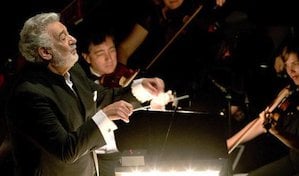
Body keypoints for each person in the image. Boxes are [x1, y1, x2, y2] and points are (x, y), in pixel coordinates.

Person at [6, 12, 171, 176]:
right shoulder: (28, 94)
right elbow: (66, 150)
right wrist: (103, 117)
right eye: (63, 38)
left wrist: (143, 87)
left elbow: (105, 98)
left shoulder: (74, 71)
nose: (73, 40)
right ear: (45, 52)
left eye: (68, 33)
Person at [77, 27, 174, 175]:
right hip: (99, 157)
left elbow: (137, 104)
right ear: (87, 57)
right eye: (100, 53)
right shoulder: (83, 86)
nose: (109, 58)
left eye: (112, 50)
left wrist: (156, 99)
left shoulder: (126, 76)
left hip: (133, 151)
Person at [117, 0, 227, 108]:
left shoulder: (198, 12)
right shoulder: (152, 15)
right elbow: (125, 48)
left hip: (175, 82)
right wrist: (120, 74)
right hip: (142, 77)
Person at [227, 37, 299, 175]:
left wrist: (277, 132)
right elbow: (262, 122)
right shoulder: (289, 91)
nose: (291, 71)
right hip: (293, 161)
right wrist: (228, 144)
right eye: (287, 64)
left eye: (295, 63)